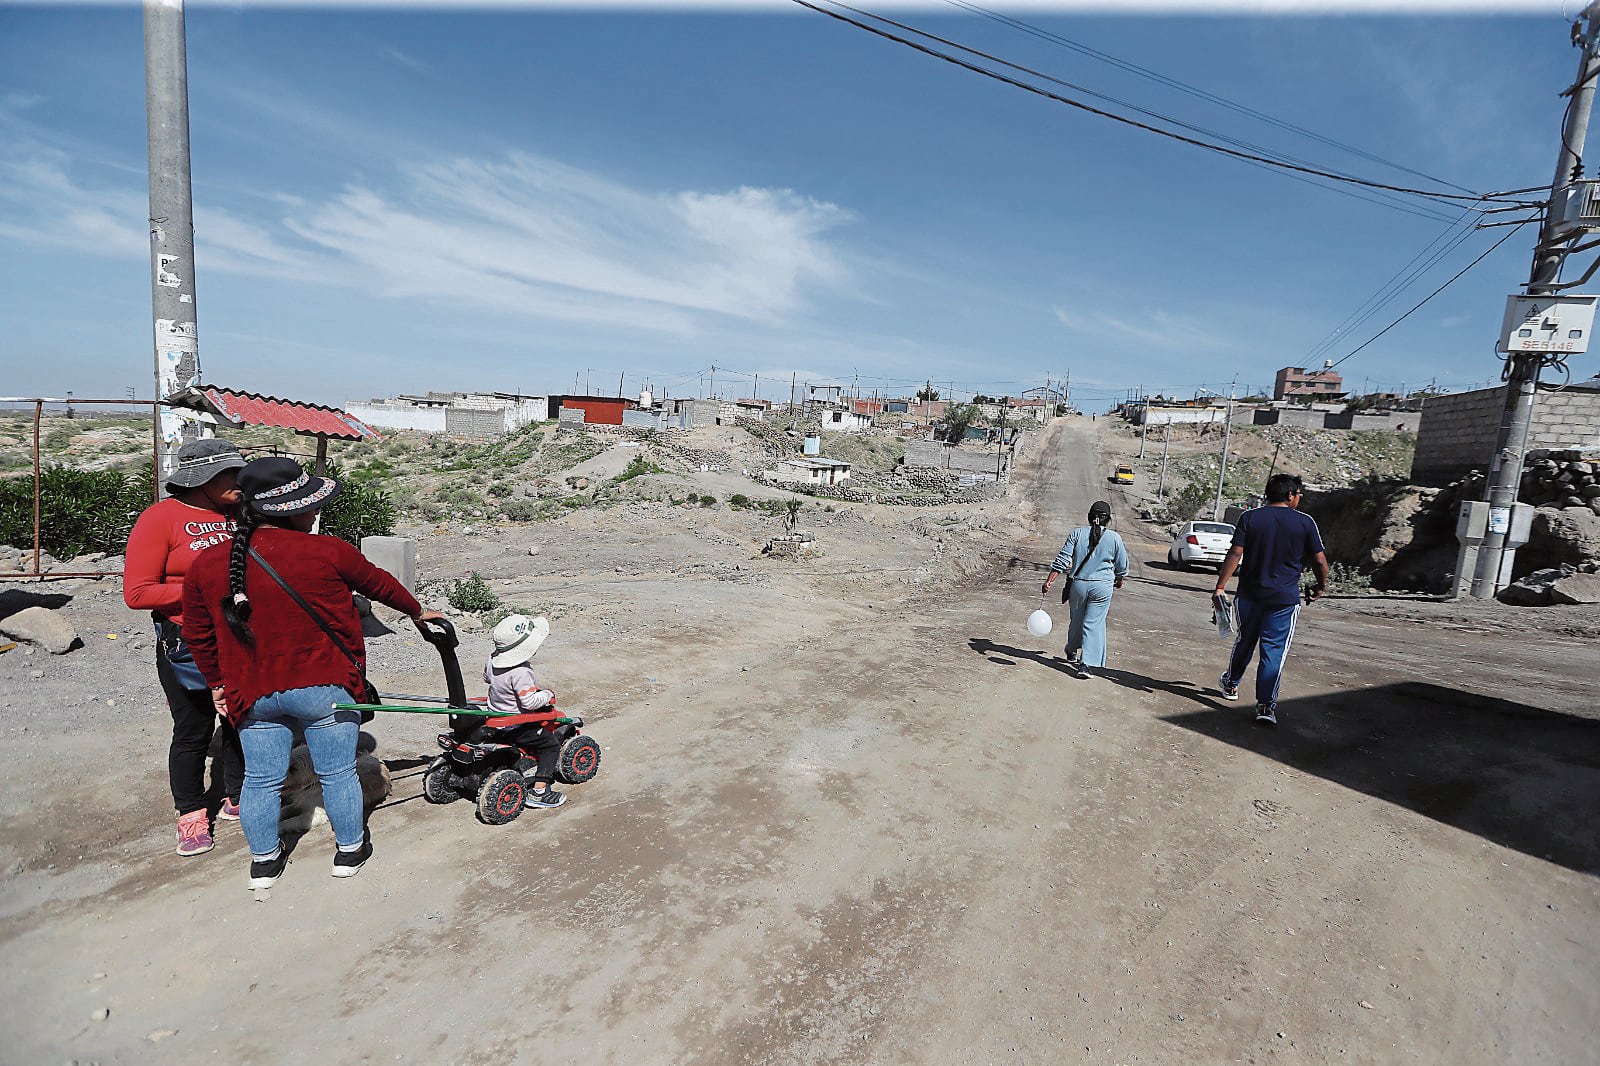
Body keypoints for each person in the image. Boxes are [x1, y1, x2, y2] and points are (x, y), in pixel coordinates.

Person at [182, 457, 443, 889]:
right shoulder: (329, 551)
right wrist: (418, 611)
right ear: (294, 510)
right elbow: (379, 583)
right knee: (337, 772)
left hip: (253, 693)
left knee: (261, 780)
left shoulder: (209, 564)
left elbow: (197, 632)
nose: (314, 513)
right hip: (326, 687)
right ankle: (349, 851)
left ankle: (264, 863)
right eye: (310, 506)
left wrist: (216, 683)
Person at [123, 438, 248, 857]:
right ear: (203, 478)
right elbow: (138, 593)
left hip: (240, 637)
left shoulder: (240, 514)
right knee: (194, 730)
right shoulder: (161, 519)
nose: (240, 480)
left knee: (240, 719)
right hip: (188, 643)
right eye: (231, 473)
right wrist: (201, 592)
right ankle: (191, 813)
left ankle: (237, 796)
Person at [1213, 473, 1330, 727]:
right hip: (1284, 601)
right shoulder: (1305, 523)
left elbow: (1235, 552)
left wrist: (1220, 586)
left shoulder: (1250, 517)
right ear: (1290, 495)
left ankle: (1231, 684)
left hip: (1249, 596)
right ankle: (1265, 705)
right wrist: (1320, 586)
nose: (1299, 499)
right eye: (1299, 494)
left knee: (1245, 641)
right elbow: (1319, 560)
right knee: (1273, 652)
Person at [482, 613, 567, 809]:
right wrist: (547, 694)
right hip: (517, 725)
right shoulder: (522, 671)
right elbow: (529, 702)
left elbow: (487, 678)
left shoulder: (492, 658)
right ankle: (539, 791)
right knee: (550, 744)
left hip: (495, 718)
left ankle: (525, 761)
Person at [1041, 501, 1130, 678]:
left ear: (1090, 516)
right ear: (1108, 519)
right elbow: (1122, 565)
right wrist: (1119, 578)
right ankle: (1086, 665)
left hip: (1078, 585)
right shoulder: (1114, 538)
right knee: (1093, 624)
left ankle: (1072, 649)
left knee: (1076, 620)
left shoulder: (1076, 534)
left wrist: (1049, 581)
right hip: (1102, 587)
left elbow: (1062, 560)